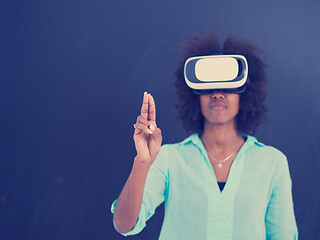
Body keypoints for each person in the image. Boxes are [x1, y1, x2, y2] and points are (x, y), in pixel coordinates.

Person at [111, 32, 298, 239]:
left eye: (228, 85)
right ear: (194, 94)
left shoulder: (273, 163)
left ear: (244, 92)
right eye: (208, 86)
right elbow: (124, 225)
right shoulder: (169, 158)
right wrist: (142, 162)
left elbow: (283, 235)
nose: (217, 93)